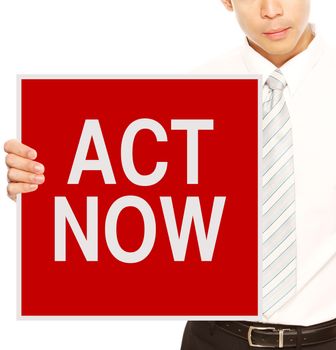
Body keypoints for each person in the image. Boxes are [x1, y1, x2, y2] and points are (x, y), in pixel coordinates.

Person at [4, 0, 336, 348]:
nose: (271, 10)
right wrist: (38, 181)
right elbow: (122, 198)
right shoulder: (189, 94)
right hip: (214, 338)